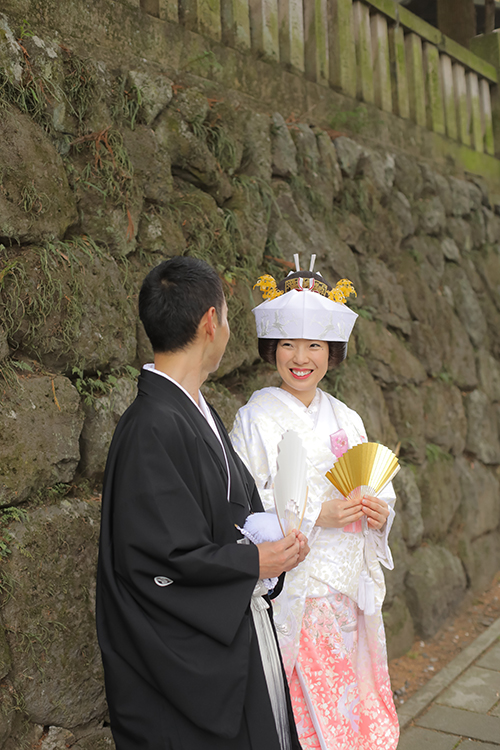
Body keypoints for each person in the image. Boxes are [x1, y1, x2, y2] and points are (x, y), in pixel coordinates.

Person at [96, 256, 309, 750]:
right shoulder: (151, 426)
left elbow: (228, 511)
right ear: (210, 323)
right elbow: (159, 560)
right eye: (228, 317)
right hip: (182, 666)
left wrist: (265, 531)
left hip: (236, 629)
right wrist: (253, 559)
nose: (228, 329)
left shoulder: (193, 409)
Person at [231, 257, 399, 750]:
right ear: (272, 350)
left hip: (348, 589)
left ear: (332, 351)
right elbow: (243, 503)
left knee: (355, 700)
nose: (300, 357)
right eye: (288, 344)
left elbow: (375, 483)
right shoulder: (255, 418)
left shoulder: (346, 417)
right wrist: (312, 515)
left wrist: (379, 512)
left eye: (314, 345)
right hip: (298, 590)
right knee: (315, 715)